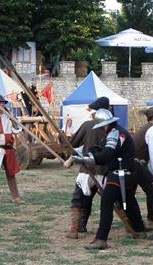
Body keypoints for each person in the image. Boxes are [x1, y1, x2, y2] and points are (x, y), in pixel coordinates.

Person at [72, 109, 146, 250]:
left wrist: (86, 159)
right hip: (127, 174)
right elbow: (102, 149)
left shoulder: (115, 133)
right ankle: (140, 230)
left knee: (106, 202)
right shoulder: (117, 132)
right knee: (130, 202)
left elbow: (107, 155)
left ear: (105, 125)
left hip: (120, 174)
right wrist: (91, 154)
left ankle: (101, 239)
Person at [65, 97, 110, 239]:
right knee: (95, 198)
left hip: (87, 170)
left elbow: (71, 143)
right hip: (104, 172)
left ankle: (75, 229)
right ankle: (81, 225)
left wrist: (63, 139)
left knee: (79, 198)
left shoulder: (87, 125)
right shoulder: (112, 126)